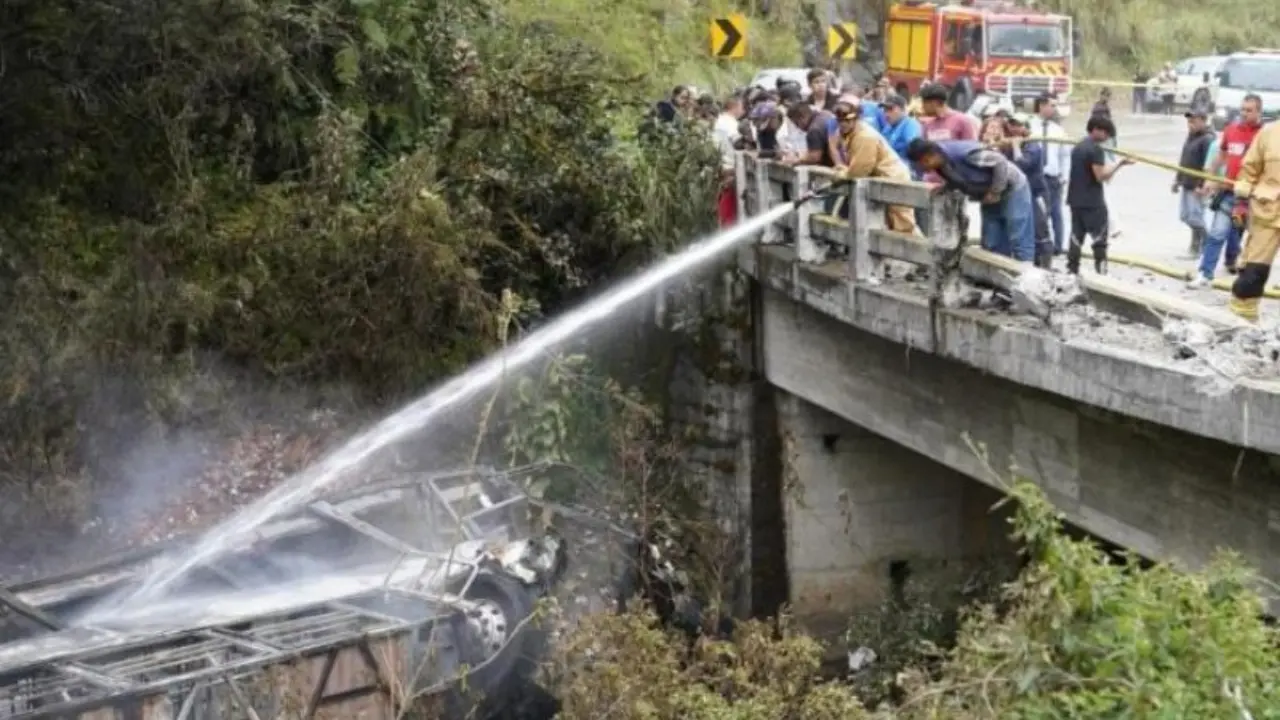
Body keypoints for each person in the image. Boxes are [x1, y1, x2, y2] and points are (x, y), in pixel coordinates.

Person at [906, 138, 1035, 262]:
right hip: (986, 193)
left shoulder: (964, 154)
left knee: (1018, 234)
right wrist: (947, 187)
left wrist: (995, 191)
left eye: (924, 163)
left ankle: (1027, 276)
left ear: (930, 156)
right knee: (991, 240)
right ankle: (998, 278)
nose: (924, 169)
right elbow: (959, 179)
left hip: (1011, 187)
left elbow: (1000, 162)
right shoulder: (941, 164)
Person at [1194, 94, 1265, 288]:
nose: (1244, 113)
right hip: (1228, 193)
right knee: (1217, 233)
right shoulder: (1231, 130)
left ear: (1259, 112)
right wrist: (1211, 179)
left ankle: (1246, 278)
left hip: (1252, 197)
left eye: (1249, 110)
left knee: (1251, 237)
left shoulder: (1265, 135)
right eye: (1242, 109)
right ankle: (1205, 274)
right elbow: (1221, 156)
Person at [1227, 111, 1279, 321]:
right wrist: (1240, 204)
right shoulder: (1269, 134)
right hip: (1268, 212)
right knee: (1253, 272)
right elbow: (1248, 171)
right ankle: (1241, 321)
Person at [1065, 116, 1133, 275]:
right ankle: (1101, 272)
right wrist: (1120, 164)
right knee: (1099, 239)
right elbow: (1101, 176)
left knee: (1076, 237)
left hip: (1075, 200)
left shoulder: (1078, 147)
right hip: (1093, 202)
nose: (1107, 137)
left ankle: (1071, 271)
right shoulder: (1095, 150)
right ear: (1096, 129)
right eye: (1106, 133)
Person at [833, 104, 916, 232]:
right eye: (840, 121)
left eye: (847, 120)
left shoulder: (865, 136)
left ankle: (916, 251)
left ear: (855, 119)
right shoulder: (847, 133)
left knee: (902, 223)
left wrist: (843, 174)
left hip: (893, 177)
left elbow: (859, 171)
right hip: (880, 178)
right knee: (886, 223)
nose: (843, 124)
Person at [1002, 114, 1051, 267]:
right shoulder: (1009, 146)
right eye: (1013, 125)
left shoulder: (1033, 146)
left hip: (1036, 195)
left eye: (1019, 125)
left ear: (1026, 128)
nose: (1015, 128)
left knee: (1040, 232)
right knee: (1021, 232)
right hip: (1018, 195)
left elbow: (1022, 165)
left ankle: (1044, 267)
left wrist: (1016, 147)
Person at [1031, 93, 1070, 256]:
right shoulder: (1030, 127)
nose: (1054, 109)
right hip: (1036, 177)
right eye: (1052, 105)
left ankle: (1058, 247)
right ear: (1042, 105)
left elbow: (1064, 155)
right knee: (1039, 213)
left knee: (1056, 213)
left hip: (1053, 178)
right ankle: (1039, 246)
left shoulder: (1058, 130)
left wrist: (1064, 176)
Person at [1173, 109, 1214, 259]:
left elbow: (1209, 165)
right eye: (1189, 122)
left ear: (1204, 120)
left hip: (1197, 185)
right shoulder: (1191, 136)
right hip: (1186, 182)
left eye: (1194, 121)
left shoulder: (1208, 139)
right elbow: (1184, 159)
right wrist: (1177, 179)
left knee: (1194, 216)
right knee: (1185, 216)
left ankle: (1202, 245)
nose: (1190, 125)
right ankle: (1202, 244)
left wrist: (1202, 185)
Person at [712, 95, 745, 227]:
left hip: (720, 163)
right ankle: (729, 228)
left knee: (724, 200)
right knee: (729, 201)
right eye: (742, 107)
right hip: (729, 166)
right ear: (734, 107)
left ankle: (724, 225)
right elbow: (737, 143)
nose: (743, 111)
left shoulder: (719, 121)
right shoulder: (731, 124)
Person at [878, 93, 922, 163]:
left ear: (903, 110)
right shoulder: (888, 127)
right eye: (885, 110)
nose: (886, 114)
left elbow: (915, 151)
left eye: (890, 109)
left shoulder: (910, 124)